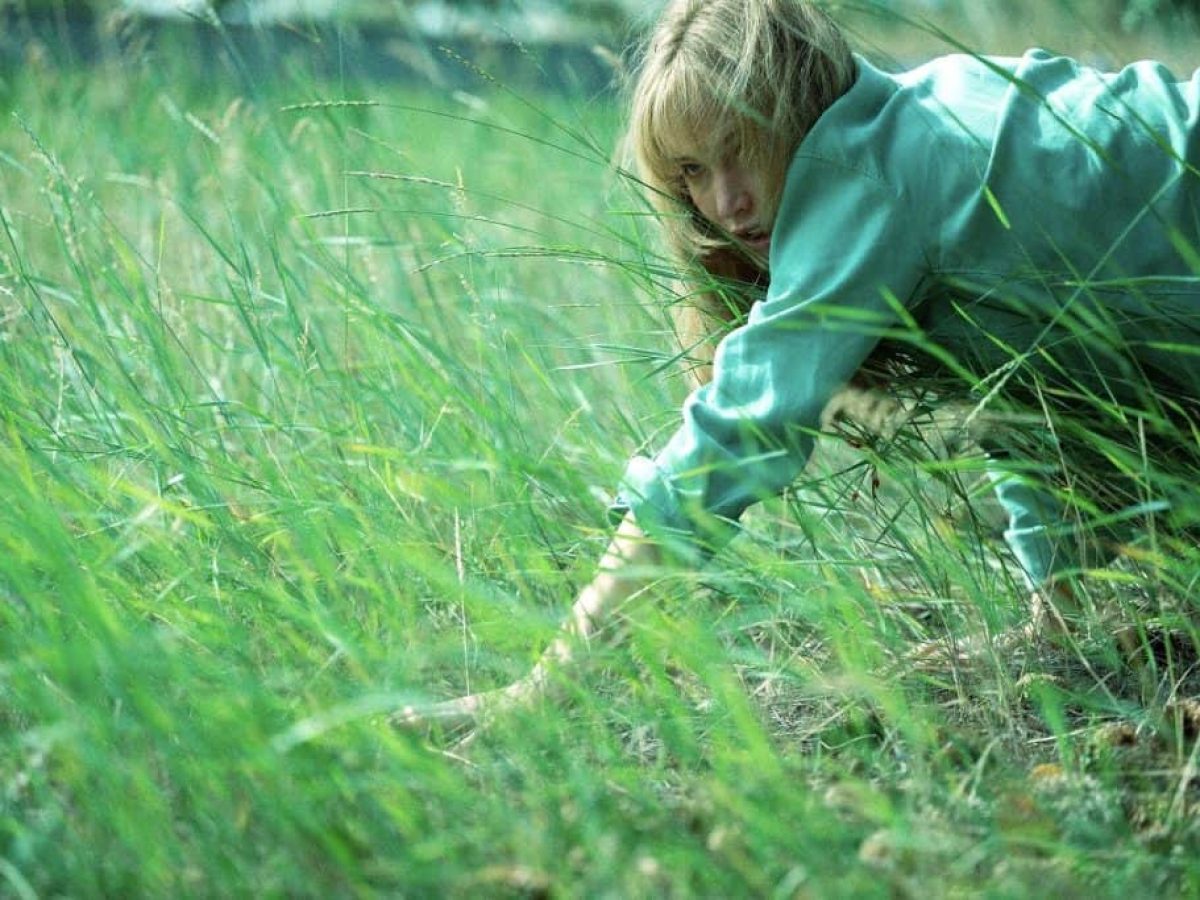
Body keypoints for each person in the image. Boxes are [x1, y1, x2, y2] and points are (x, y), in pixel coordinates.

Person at [395, 0, 1200, 728]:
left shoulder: (864, 180)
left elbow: (730, 442)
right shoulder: (925, 109)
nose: (726, 203)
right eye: (692, 171)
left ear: (794, 108)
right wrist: (1055, 619)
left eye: (738, 148)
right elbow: (1036, 386)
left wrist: (548, 683)